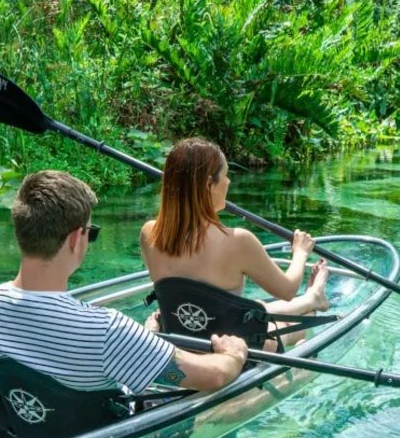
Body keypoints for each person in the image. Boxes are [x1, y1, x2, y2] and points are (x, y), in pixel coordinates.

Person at [0, 170, 249, 420]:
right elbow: (213, 377)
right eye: (91, 232)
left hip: (31, 429)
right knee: (235, 398)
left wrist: (143, 339)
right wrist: (232, 354)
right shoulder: (106, 329)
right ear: (76, 238)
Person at [139, 137, 329, 349]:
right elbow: (287, 290)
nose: (228, 182)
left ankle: (313, 297)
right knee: (296, 321)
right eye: (225, 175)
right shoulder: (239, 241)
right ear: (208, 185)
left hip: (182, 341)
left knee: (254, 308)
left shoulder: (149, 233)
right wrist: (301, 252)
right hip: (233, 352)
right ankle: (312, 302)